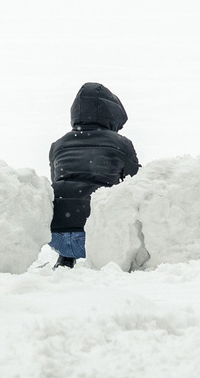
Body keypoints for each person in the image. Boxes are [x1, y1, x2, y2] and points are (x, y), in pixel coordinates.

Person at [48, 82, 140, 268]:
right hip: (97, 234)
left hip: (56, 235)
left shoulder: (58, 145)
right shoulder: (122, 144)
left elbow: (56, 180)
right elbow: (136, 184)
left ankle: (66, 257)